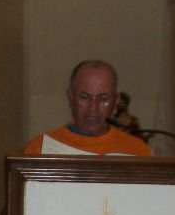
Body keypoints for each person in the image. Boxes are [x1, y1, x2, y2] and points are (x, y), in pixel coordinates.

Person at [23, 60, 152, 156]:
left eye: (103, 99)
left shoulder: (138, 151)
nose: (93, 108)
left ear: (116, 101)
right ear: (71, 97)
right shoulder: (40, 149)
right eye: (84, 97)